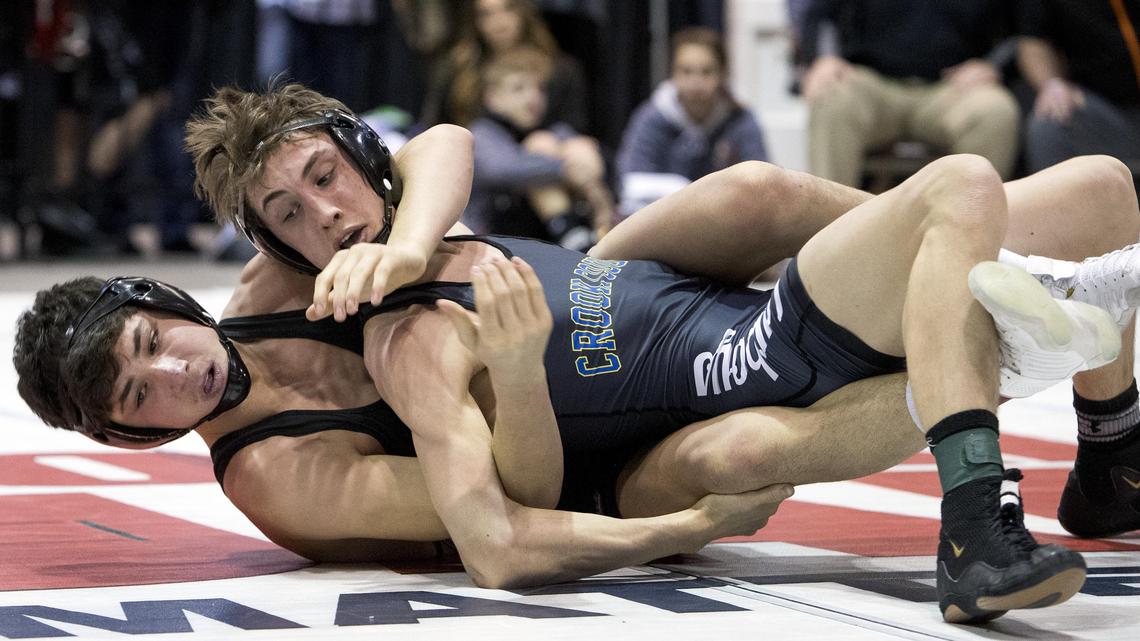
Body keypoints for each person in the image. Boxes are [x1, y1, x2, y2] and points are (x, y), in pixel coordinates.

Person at [15, 84, 1136, 622]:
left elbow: (442, 141)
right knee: (745, 439)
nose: (175, 372)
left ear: (169, 299)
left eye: (151, 339)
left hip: (619, 300)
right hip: (626, 412)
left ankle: (1102, 435)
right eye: (139, 391)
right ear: (130, 429)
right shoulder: (292, 456)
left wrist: (408, 241)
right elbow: (503, 511)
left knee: (1094, 187)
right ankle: (986, 375)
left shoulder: (294, 271)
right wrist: (667, 525)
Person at [796, 0, 1020, 187]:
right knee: (832, 97)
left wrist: (992, 64)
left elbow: (1022, 31)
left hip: (952, 87)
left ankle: (974, 228)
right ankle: (826, 228)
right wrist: (822, 58)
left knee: (995, 111)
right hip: (872, 83)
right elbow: (819, 15)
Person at [465, 47, 613, 247]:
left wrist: (590, 184)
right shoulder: (483, 132)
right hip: (490, 238)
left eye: (540, 89)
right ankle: (575, 236)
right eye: (519, 88)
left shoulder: (551, 130)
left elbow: (596, 161)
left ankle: (593, 231)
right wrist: (563, 170)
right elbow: (501, 169)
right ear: (492, 98)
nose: (533, 98)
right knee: (540, 148)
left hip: (539, 235)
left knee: (577, 146)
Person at [615, 26, 767, 221]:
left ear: (722, 74)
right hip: (659, 223)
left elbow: (761, 180)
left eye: (706, 72)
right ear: (673, 74)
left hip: (725, 225)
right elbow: (631, 181)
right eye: (686, 71)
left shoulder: (741, 120)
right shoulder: (651, 117)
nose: (696, 83)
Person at [420, 0, 589, 132]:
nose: (500, 23)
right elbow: (436, 127)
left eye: (508, 9)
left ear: (523, 12)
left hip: (542, 160)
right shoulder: (459, 70)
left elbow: (574, 126)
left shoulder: (560, 70)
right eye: (486, 14)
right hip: (476, 160)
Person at [1016, 0, 1140, 174]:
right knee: (1050, 121)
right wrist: (1052, 84)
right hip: (1109, 110)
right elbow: (1033, 42)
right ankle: (1054, 200)